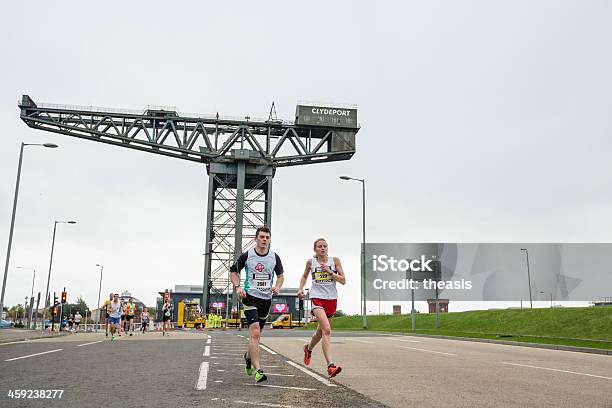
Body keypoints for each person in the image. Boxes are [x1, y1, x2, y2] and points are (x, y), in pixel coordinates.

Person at [230, 226, 284, 384]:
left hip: (266, 299)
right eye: (262, 237)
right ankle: (258, 370)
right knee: (254, 333)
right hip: (250, 297)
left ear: (270, 239)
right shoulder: (247, 256)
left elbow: (280, 276)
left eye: (267, 237)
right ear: (256, 238)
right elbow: (233, 272)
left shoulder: (275, 257)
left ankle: (248, 358)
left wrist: (278, 287)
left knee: (257, 335)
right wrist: (238, 287)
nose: (264, 240)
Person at [298, 238, 346, 378]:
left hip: (331, 299)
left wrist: (331, 273)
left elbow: (343, 280)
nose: (323, 248)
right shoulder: (310, 262)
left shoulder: (335, 261)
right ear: (315, 249)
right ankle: (330, 366)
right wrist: (301, 289)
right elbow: (304, 276)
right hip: (316, 297)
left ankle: (308, 349)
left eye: (325, 246)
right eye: (320, 246)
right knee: (326, 330)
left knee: (320, 333)